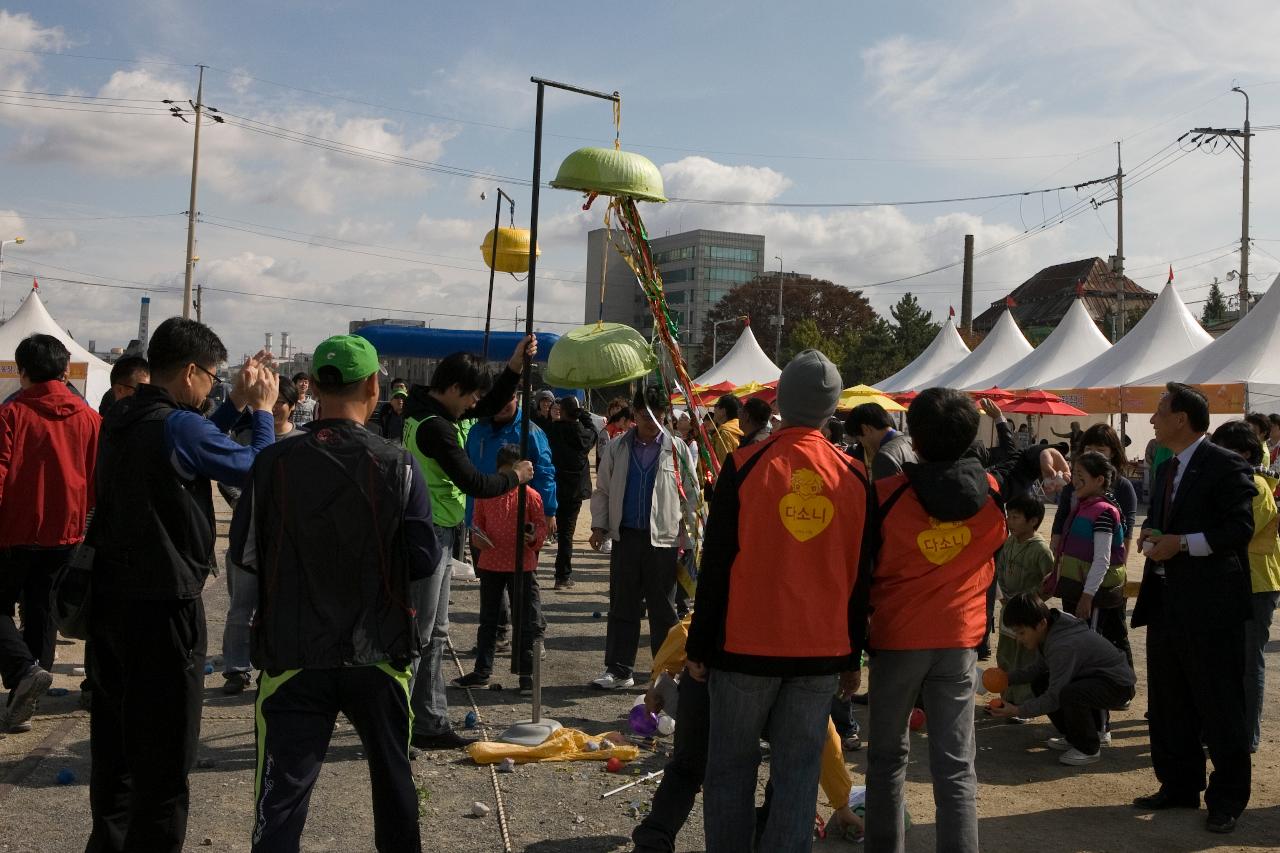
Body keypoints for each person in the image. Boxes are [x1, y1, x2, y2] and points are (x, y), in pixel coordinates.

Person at [230, 334, 440, 852]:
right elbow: (424, 558)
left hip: (293, 653)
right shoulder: (399, 463)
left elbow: (244, 556)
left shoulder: (272, 463)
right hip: (379, 651)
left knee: (280, 800)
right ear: (373, 385)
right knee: (394, 785)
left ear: (314, 387)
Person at [88, 318, 277, 852]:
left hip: (110, 600)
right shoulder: (177, 426)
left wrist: (234, 406)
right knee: (167, 762)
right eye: (213, 379)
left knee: (116, 753)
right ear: (190, 371)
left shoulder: (123, 414)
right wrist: (261, 413)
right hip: (164, 607)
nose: (215, 388)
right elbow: (257, 468)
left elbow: (189, 443)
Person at [688, 349, 870, 853]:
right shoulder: (855, 476)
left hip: (745, 645)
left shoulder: (745, 465)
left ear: (780, 401)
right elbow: (861, 577)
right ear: (832, 408)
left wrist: (699, 645)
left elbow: (717, 565)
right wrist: (852, 655)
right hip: (819, 651)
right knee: (798, 772)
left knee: (729, 769)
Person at [861, 387, 1011, 853]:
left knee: (887, 758)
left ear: (915, 439)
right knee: (956, 764)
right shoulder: (990, 493)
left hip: (898, 638)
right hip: (959, 639)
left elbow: (863, 571)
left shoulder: (884, 496)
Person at [1131, 383, 1255, 834]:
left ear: (1181, 418)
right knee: (1169, 701)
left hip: (1211, 607)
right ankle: (1179, 784)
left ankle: (1226, 799)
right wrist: (1153, 536)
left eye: (1160, 412)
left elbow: (1237, 530)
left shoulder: (1226, 466)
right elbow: (1165, 523)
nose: (1152, 420)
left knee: (1219, 704)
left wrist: (1179, 544)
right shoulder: (1166, 468)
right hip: (1166, 602)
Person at [634, 614, 864, 853]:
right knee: (790, 773)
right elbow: (818, 738)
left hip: (710, 670)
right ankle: (759, 838)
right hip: (721, 673)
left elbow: (691, 623)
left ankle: (652, 843)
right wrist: (842, 804)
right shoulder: (805, 637)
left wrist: (661, 676)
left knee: (693, 768)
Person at [401, 339, 535, 749]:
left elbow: (491, 402)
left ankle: (430, 720)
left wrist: (513, 367)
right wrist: (515, 477)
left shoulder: (427, 405)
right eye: (472, 394)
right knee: (420, 636)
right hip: (426, 535)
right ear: (456, 389)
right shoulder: (436, 428)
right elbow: (474, 482)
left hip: (438, 531)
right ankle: (407, 723)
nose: (475, 403)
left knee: (435, 632)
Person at [0, 334, 101, 733]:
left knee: (2, 607)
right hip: (66, 534)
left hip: (13, 531)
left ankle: (23, 671)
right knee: (42, 613)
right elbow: (97, 481)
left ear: (22, 372)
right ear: (64, 371)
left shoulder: (11, 414)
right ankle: (25, 702)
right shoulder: (91, 418)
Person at [589, 386, 697, 690]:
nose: (653, 421)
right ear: (634, 414)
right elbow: (604, 491)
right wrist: (599, 526)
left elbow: (690, 497)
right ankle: (619, 669)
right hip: (627, 537)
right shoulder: (616, 447)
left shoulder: (677, 449)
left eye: (658, 415)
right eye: (646, 415)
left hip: (663, 541)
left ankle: (663, 672)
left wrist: (687, 542)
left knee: (664, 609)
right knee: (623, 604)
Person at [220, 376, 304, 695]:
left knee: (282, 604)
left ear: (293, 406)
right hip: (248, 535)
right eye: (270, 399)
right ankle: (236, 668)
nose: (274, 406)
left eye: (281, 401)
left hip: (287, 538)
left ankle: (275, 663)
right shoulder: (244, 437)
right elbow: (226, 477)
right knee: (241, 605)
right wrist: (244, 501)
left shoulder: (303, 441)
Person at [991, 593, 1136, 765]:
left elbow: (1053, 698)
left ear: (1041, 624)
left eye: (1022, 633)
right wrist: (1006, 678)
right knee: (1042, 682)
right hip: (1096, 679)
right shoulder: (1050, 630)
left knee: (1069, 693)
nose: (1018, 639)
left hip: (1118, 685)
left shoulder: (1062, 645)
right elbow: (1037, 669)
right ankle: (1073, 737)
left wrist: (1016, 710)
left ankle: (1088, 748)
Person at [463, 395, 556, 649]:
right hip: (481, 517)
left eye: (510, 397)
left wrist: (548, 510)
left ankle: (533, 636)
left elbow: (545, 471)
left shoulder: (530, 431)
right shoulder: (477, 430)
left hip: (519, 519)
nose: (504, 402)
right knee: (490, 580)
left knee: (525, 585)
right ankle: (498, 632)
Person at [1209, 420, 1280, 754]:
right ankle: (1227, 728)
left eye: (1223, 449)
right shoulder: (1232, 482)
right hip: (1233, 579)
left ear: (1245, 453)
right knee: (1228, 662)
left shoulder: (1256, 486)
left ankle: (1246, 735)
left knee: (1250, 664)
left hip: (1256, 582)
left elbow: (1236, 532)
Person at [455, 445, 548, 694]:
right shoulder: (486, 494)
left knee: (524, 621)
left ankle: (526, 674)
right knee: (488, 620)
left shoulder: (531, 496)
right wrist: (477, 538)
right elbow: (476, 525)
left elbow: (540, 527)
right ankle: (482, 671)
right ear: (499, 471)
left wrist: (533, 536)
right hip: (492, 563)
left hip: (523, 566)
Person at [1052, 451, 1132, 672]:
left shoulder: (1104, 512)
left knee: (1089, 650)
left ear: (1099, 480)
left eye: (1080, 475)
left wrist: (1087, 597)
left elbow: (1102, 559)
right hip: (1077, 588)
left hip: (1093, 595)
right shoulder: (1082, 506)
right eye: (1074, 474)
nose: (1074, 480)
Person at [994, 494, 1055, 708]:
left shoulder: (1040, 549)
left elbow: (1050, 582)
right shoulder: (1009, 542)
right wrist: (1003, 597)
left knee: (1025, 658)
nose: (1010, 521)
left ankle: (1023, 703)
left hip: (1028, 615)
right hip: (1008, 611)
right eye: (1009, 516)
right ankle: (1006, 697)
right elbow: (999, 570)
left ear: (1033, 521)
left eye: (1016, 517)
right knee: (1005, 654)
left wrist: (1032, 602)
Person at [1052, 423, 1137, 556]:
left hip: (1105, 559)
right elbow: (1061, 517)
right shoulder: (1073, 484)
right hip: (1071, 557)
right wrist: (1055, 545)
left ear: (1112, 453)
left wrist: (1121, 564)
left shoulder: (1123, 487)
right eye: (1088, 449)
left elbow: (1127, 532)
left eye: (1100, 450)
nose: (1093, 454)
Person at [546, 395, 596, 589]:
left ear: (563, 411)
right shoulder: (584, 435)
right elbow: (593, 429)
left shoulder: (552, 431)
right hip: (575, 491)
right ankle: (562, 576)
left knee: (544, 528)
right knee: (566, 534)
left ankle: (529, 572)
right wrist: (582, 412)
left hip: (554, 487)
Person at [845, 402, 916, 480]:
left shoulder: (884, 457)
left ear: (865, 429)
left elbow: (885, 491)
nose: (862, 444)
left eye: (859, 438)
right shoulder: (910, 441)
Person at [708, 394, 744, 466]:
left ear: (723, 411)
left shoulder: (724, 433)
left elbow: (725, 465)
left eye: (716, 405)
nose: (714, 409)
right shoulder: (743, 427)